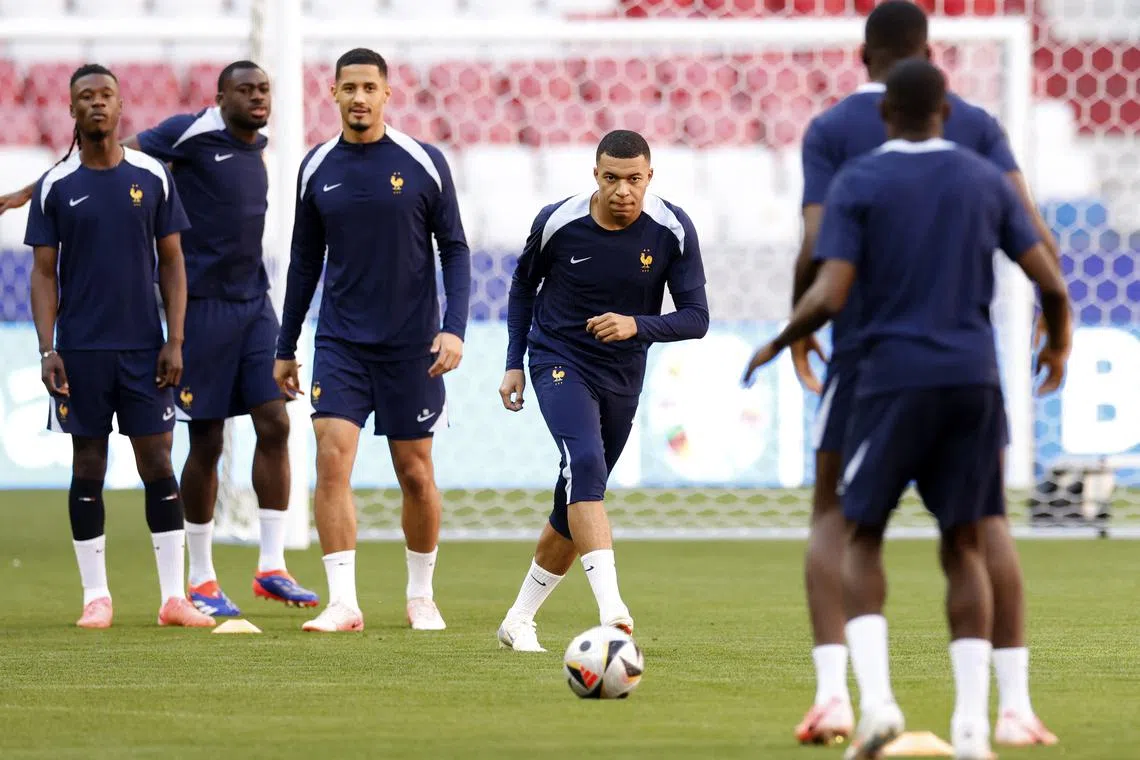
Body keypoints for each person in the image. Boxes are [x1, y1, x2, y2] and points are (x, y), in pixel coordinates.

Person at [743, 60, 1071, 760]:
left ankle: (879, 706)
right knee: (967, 544)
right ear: (947, 113)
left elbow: (831, 291)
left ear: (886, 115)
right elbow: (1048, 276)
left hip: (890, 381)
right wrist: (1059, 345)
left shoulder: (859, 179)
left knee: (859, 534)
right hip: (973, 383)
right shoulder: (984, 178)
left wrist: (781, 337)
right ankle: (976, 729)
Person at [0, 62, 318, 616]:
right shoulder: (180, 135)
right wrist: (33, 191)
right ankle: (176, 583)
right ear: (221, 98)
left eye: (265, 88)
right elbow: (49, 261)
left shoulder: (223, 159)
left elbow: (167, 250)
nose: (258, 97)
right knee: (188, 443)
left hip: (233, 310)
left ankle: (258, 570)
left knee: (266, 423)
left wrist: (175, 339)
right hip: (149, 327)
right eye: (245, 90)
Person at [274, 47, 471, 633]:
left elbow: (455, 249)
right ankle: (343, 602)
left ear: (388, 94)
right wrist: (286, 345)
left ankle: (421, 595)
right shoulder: (316, 168)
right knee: (331, 458)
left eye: (369, 87)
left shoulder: (422, 162)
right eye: (348, 87)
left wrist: (453, 328)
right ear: (332, 94)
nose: (359, 97)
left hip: (413, 345)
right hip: (340, 343)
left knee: (415, 471)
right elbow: (303, 261)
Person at [495, 130, 709, 652]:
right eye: (611, 178)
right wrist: (514, 363)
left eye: (633, 179)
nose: (622, 190)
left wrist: (637, 326)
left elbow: (697, 318)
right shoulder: (557, 222)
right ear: (595, 174)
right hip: (558, 359)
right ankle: (613, 612)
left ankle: (518, 620)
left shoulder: (672, 230)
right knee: (585, 465)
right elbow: (523, 287)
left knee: (575, 500)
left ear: (649, 177)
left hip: (622, 375)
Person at [24, 64, 215, 629]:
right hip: (81, 351)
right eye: (87, 97)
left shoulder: (152, 175)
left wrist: (175, 340)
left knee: (157, 461)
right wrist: (46, 348)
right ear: (73, 110)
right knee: (89, 463)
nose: (98, 104)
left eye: (106, 95)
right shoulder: (56, 186)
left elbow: (174, 262)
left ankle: (172, 599)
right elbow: (42, 273)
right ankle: (96, 597)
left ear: (120, 104)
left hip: (144, 349)